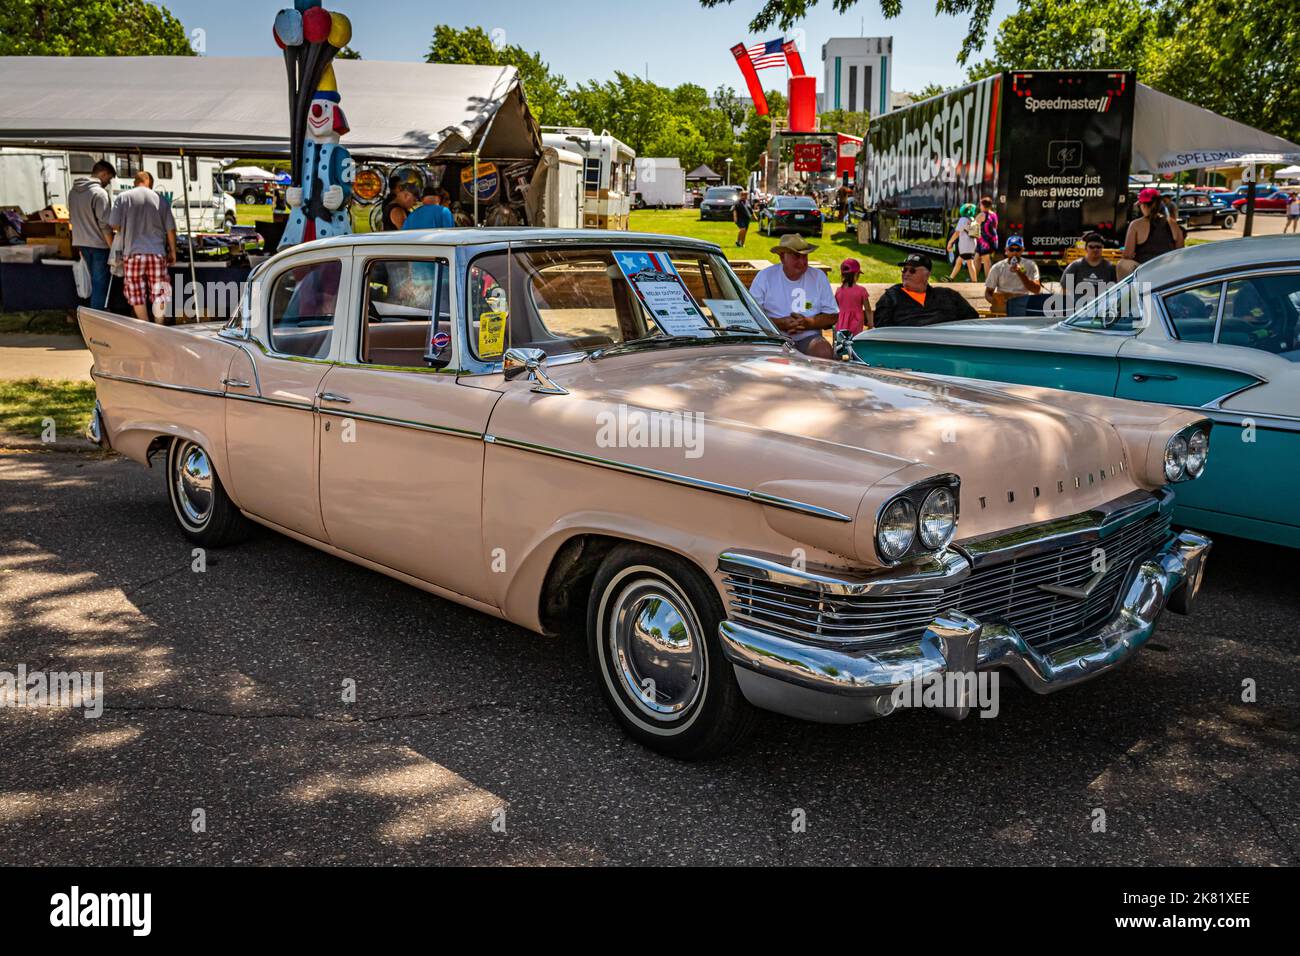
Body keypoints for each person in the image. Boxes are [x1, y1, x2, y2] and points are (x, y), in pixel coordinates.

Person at [748, 234, 838, 358]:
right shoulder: (765, 277)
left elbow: (832, 316)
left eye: (805, 256)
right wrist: (780, 323)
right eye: (796, 256)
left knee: (823, 351)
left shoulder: (818, 277)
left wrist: (808, 323)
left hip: (809, 337)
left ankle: (818, 378)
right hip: (775, 337)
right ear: (782, 257)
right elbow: (751, 315)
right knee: (775, 362)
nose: (802, 262)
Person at [107, 170, 177, 323]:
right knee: (160, 292)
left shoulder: (123, 197)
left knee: (136, 292)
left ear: (135, 182)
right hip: (157, 252)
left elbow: (114, 224)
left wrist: (128, 226)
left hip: (132, 253)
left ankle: (145, 328)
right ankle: (159, 326)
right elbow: (170, 228)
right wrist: (173, 250)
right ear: (149, 183)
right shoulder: (161, 199)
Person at [874, 253, 979, 327]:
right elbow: (882, 330)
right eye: (904, 270)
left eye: (912, 270)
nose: (906, 273)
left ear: (927, 275)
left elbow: (972, 319)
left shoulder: (948, 296)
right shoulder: (891, 297)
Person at [68, 159, 116, 310]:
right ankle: (97, 319)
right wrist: (113, 249)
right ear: (103, 174)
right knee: (99, 284)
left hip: (81, 243)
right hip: (99, 245)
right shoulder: (99, 193)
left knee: (93, 282)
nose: (108, 183)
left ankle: (94, 315)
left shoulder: (73, 191)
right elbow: (105, 226)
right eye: (109, 178)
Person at [1120, 187, 1184, 277]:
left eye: (1140, 205)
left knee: (1122, 264)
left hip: (1145, 273)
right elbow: (1180, 251)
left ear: (1144, 205)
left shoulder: (1136, 225)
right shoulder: (1173, 223)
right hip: (1168, 272)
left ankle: (1127, 291)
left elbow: (1127, 255)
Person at [984, 235, 1041, 314]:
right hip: (1003, 304)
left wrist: (1020, 273)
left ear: (1022, 250)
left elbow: (1036, 290)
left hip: (1022, 304)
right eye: (1011, 249)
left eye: (1018, 249)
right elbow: (988, 292)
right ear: (1006, 250)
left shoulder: (1030, 265)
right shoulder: (997, 267)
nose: (1014, 252)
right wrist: (996, 302)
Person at [1060, 232, 1117, 309]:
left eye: (1098, 247)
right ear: (1086, 248)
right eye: (1091, 247)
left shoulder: (1110, 268)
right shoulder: (1075, 266)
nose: (1095, 249)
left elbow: (1115, 291)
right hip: (1078, 310)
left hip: (1101, 310)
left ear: (1102, 248)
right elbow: (1064, 289)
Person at [834, 258, 873, 336]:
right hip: (856, 322)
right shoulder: (862, 290)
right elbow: (868, 309)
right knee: (854, 342)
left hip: (841, 322)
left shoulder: (838, 291)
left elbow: (835, 309)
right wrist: (870, 323)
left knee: (842, 342)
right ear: (856, 274)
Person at [945, 202, 980, 282]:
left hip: (965, 245)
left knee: (970, 263)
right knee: (959, 261)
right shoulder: (973, 219)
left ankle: (975, 282)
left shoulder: (963, 219)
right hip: (972, 244)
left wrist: (950, 242)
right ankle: (951, 278)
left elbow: (957, 233)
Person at [973, 196, 999, 277]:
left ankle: (989, 281)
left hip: (984, 242)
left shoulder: (981, 215)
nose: (980, 206)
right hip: (993, 240)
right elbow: (996, 227)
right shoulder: (994, 215)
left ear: (983, 206)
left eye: (980, 205)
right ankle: (974, 279)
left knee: (986, 261)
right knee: (977, 258)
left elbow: (973, 230)